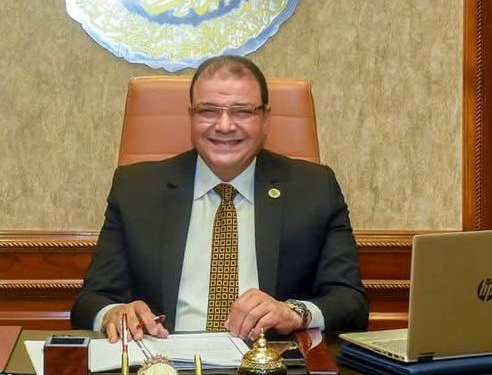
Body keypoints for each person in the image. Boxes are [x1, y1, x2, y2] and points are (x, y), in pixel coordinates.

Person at [70, 55, 368, 342]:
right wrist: (113, 314)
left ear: (265, 118)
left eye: (242, 111)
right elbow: (90, 302)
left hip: (270, 364)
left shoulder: (315, 189)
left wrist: (294, 312)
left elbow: (350, 302)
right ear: (191, 116)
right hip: (164, 365)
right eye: (208, 111)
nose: (224, 126)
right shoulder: (135, 189)